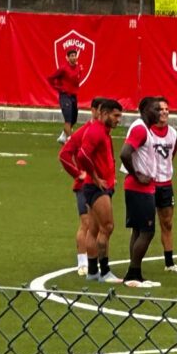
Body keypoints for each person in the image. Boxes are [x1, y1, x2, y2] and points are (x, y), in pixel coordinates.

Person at [76, 99, 124, 283]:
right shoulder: (96, 131)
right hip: (96, 188)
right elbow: (82, 155)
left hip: (98, 186)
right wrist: (96, 178)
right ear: (104, 114)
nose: (118, 120)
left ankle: (92, 271)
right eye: (116, 115)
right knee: (108, 227)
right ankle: (105, 272)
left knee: (94, 229)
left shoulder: (103, 131)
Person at [58, 97, 107, 276]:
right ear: (93, 111)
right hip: (84, 185)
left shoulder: (104, 132)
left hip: (101, 186)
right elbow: (64, 154)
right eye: (101, 111)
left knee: (100, 225)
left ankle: (95, 262)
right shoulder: (84, 132)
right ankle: (82, 262)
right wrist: (78, 174)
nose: (104, 115)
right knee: (86, 223)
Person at [119, 97, 163, 288]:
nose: (159, 112)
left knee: (138, 230)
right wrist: (136, 175)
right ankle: (133, 273)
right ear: (144, 109)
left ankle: (134, 273)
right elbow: (125, 153)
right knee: (147, 231)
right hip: (139, 187)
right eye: (156, 109)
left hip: (140, 186)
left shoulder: (145, 130)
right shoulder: (140, 129)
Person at [146, 97, 177, 273]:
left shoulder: (174, 134)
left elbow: (172, 154)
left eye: (166, 109)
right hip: (147, 185)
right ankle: (136, 261)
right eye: (160, 109)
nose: (164, 112)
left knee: (167, 223)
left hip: (166, 185)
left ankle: (169, 263)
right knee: (143, 225)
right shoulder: (146, 132)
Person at [49, 48, 84, 144]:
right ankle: (70, 140)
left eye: (75, 55)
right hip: (65, 96)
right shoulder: (63, 68)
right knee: (68, 119)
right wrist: (59, 88)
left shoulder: (78, 68)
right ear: (67, 58)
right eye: (71, 56)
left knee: (74, 118)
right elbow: (51, 78)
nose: (73, 57)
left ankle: (63, 136)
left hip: (73, 96)